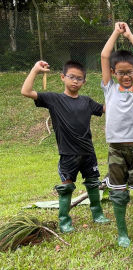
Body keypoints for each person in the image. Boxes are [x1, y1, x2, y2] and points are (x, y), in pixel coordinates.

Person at [21, 60, 110, 233]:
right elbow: (26, 91)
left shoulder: (87, 101)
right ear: (63, 77)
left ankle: (97, 214)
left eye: (79, 78)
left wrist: (119, 92)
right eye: (71, 77)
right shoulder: (54, 99)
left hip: (88, 152)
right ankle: (64, 220)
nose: (75, 81)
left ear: (84, 82)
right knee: (66, 186)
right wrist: (35, 70)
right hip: (68, 154)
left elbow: (107, 108)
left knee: (93, 183)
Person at [101, 22, 133, 247]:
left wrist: (130, 34)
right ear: (113, 73)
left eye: (129, 73)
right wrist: (115, 32)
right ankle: (122, 232)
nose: (125, 76)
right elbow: (104, 55)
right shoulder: (109, 88)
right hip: (116, 147)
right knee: (118, 192)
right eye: (120, 73)